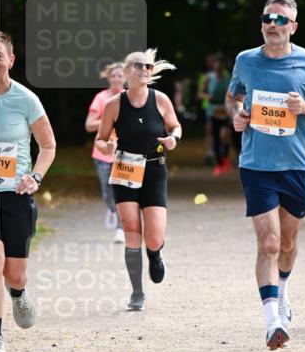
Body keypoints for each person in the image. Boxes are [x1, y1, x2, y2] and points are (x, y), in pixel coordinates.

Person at [226, 0, 305, 350]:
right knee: (269, 242)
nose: (273, 25)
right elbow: (233, 97)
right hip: (256, 163)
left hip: (297, 164)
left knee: (287, 243)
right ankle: (272, 320)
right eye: (268, 18)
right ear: (261, 24)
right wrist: (237, 115)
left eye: (281, 20)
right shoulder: (246, 61)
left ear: (293, 27)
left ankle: (283, 293)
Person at [95, 49, 181, 312]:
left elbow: (175, 126)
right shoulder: (114, 104)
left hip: (154, 170)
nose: (146, 70)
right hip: (125, 170)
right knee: (132, 233)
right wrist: (106, 147)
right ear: (128, 70)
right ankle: (137, 291)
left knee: (153, 237)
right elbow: (100, 138)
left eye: (149, 66)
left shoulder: (161, 99)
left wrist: (173, 138)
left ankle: (154, 254)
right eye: (140, 66)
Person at [0, 31, 56, 352]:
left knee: (13, 273)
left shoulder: (25, 99)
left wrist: (35, 176)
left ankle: (18, 293)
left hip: (15, 194)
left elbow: (48, 145)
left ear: (11, 60)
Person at [85, 62, 126, 243]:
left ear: (126, 78)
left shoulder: (130, 97)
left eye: (120, 75)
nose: (117, 79)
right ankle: (111, 209)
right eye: (114, 76)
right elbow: (89, 125)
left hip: (125, 153)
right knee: (107, 194)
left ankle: (120, 228)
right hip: (102, 154)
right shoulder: (101, 98)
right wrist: (109, 120)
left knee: (123, 192)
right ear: (108, 78)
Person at [200, 51, 233, 176]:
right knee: (215, 136)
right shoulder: (208, 78)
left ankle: (225, 157)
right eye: (216, 64)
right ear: (213, 66)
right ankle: (219, 164)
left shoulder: (228, 77)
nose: (218, 66)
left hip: (224, 108)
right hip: (212, 109)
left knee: (225, 134)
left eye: (220, 64)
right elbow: (200, 93)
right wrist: (207, 96)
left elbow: (233, 92)